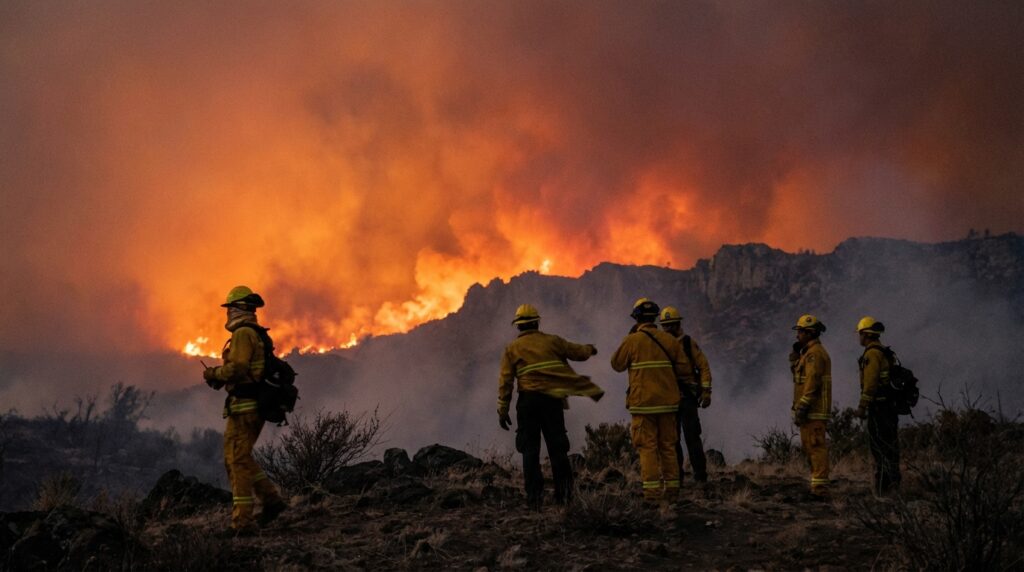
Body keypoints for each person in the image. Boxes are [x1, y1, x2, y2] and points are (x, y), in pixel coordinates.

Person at [497, 304, 604, 509]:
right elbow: (577, 352)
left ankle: (534, 500)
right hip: (551, 402)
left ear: (518, 326)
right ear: (537, 322)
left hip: (527, 403)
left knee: (530, 451)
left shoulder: (512, 349)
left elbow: (505, 382)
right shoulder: (552, 341)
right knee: (557, 450)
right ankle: (564, 498)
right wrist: (590, 349)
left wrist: (503, 410)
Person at [203, 285, 287, 535]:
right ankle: (272, 501)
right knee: (240, 457)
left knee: (236, 460)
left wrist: (214, 373)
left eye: (230, 308)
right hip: (249, 406)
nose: (227, 313)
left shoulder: (242, 334)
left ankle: (242, 523)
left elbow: (238, 368)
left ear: (238, 309)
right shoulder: (255, 333)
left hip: (245, 407)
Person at [611, 298, 684, 503]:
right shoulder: (669, 340)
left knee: (647, 449)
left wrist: (630, 337)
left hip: (643, 405)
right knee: (668, 447)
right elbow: (683, 369)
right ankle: (672, 492)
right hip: (668, 404)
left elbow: (616, 364)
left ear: (636, 318)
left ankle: (652, 495)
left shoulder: (632, 340)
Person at [658, 306, 712, 483]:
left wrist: (706, 392)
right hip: (669, 398)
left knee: (692, 438)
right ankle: (676, 477)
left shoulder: (688, 343)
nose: (668, 329)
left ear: (678, 324)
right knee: (672, 441)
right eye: (665, 326)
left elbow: (703, 366)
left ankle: (700, 477)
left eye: (671, 325)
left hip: (687, 398)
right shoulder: (660, 346)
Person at [854, 316, 901, 494]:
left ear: (866, 334)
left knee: (880, 447)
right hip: (888, 406)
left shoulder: (872, 354)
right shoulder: (883, 351)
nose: (859, 337)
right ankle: (893, 485)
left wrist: (862, 406)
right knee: (890, 446)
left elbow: (871, 383)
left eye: (860, 334)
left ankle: (883, 488)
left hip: (880, 408)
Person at [790, 314, 832, 497]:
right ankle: (816, 486)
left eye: (800, 331)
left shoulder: (815, 354)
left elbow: (812, 381)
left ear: (809, 333)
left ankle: (820, 489)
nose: (797, 335)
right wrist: (794, 361)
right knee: (810, 448)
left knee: (816, 448)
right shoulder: (807, 353)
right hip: (809, 411)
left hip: (813, 411)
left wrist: (803, 406)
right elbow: (801, 378)